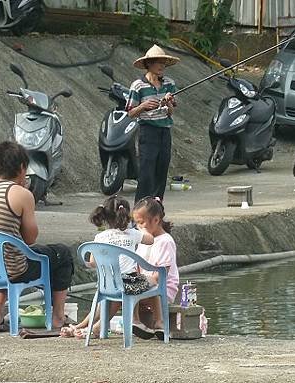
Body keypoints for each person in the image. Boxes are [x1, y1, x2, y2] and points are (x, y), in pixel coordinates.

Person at [0, 141, 74, 332]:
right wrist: (25, 193)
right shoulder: (21, 193)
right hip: (15, 270)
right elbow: (30, 238)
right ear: (22, 167)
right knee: (62, 254)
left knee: (5, 253)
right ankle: (58, 317)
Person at [61, 195, 153, 338]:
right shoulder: (133, 234)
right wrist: (141, 227)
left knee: (114, 288)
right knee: (154, 280)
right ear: (127, 215)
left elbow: (92, 262)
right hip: (129, 284)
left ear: (105, 216)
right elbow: (150, 240)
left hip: (105, 284)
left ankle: (87, 326)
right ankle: (96, 328)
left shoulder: (100, 237)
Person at [126, 44, 180, 202]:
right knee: (147, 173)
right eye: (159, 62)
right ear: (149, 64)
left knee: (161, 171)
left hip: (165, 132)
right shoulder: (138, 85)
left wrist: (169, 102)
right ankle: (140, 210)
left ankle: (157, 209)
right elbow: (130, 113)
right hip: (148, 132)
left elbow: (170, 112)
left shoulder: (169, 83)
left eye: (164, 63)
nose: (162, 66)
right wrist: (143, 106)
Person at [132, 196, 179, 339]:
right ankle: (134, 321)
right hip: (147, 283)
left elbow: (163, 272)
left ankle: (151, 321)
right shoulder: (143, 240)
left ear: (156, 220)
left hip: (163, 287)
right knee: (123, 285)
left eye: (141, 223)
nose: (139, 227)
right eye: (136, 224)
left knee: (133, 287)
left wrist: (145, 283)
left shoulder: (165, 241)